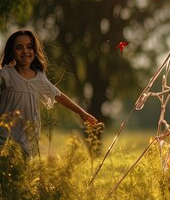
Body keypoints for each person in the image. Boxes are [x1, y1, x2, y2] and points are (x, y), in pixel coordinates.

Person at [0, 29, 99, 158]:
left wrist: (83, 114)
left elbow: (60, 97)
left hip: (27, 140)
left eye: (29, 47)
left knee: (21, 174)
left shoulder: (39, 79)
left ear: (35, 51)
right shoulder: (6, 74)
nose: (25, 51)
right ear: (11, 52)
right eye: (19, 47)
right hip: (4, 138)